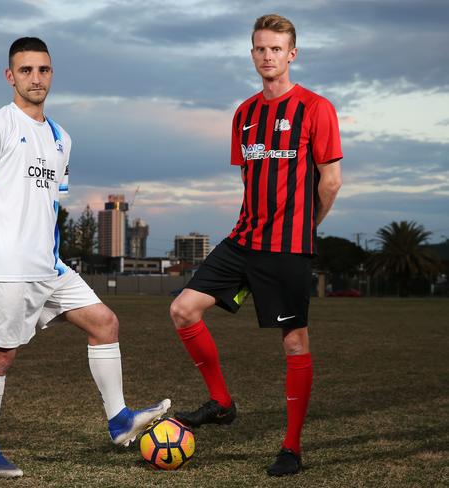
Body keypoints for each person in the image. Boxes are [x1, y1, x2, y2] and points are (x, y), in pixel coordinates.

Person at [0, 37, 170, 478]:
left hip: (49, 265)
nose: (36, 78)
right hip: (10, 266)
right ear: (9, 75)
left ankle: (119, 420)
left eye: (44, 70)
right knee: (0, 356)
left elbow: (48, 205)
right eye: (27, 70)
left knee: (105, 323)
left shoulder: (60, 138)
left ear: (52, 74)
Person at [170, 14, 342, 477]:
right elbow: (249, 178)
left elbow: (331, 181)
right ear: (252, 55)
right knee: (183, 309)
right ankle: (222, 402)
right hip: (245, 238)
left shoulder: (316, 108)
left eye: (276, 49)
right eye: (260, 49)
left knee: (293, 342)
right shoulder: (244, 114)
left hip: (287, 247)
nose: (268, 56)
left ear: (292, 54)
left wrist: (305, 228)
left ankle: (291, 447)